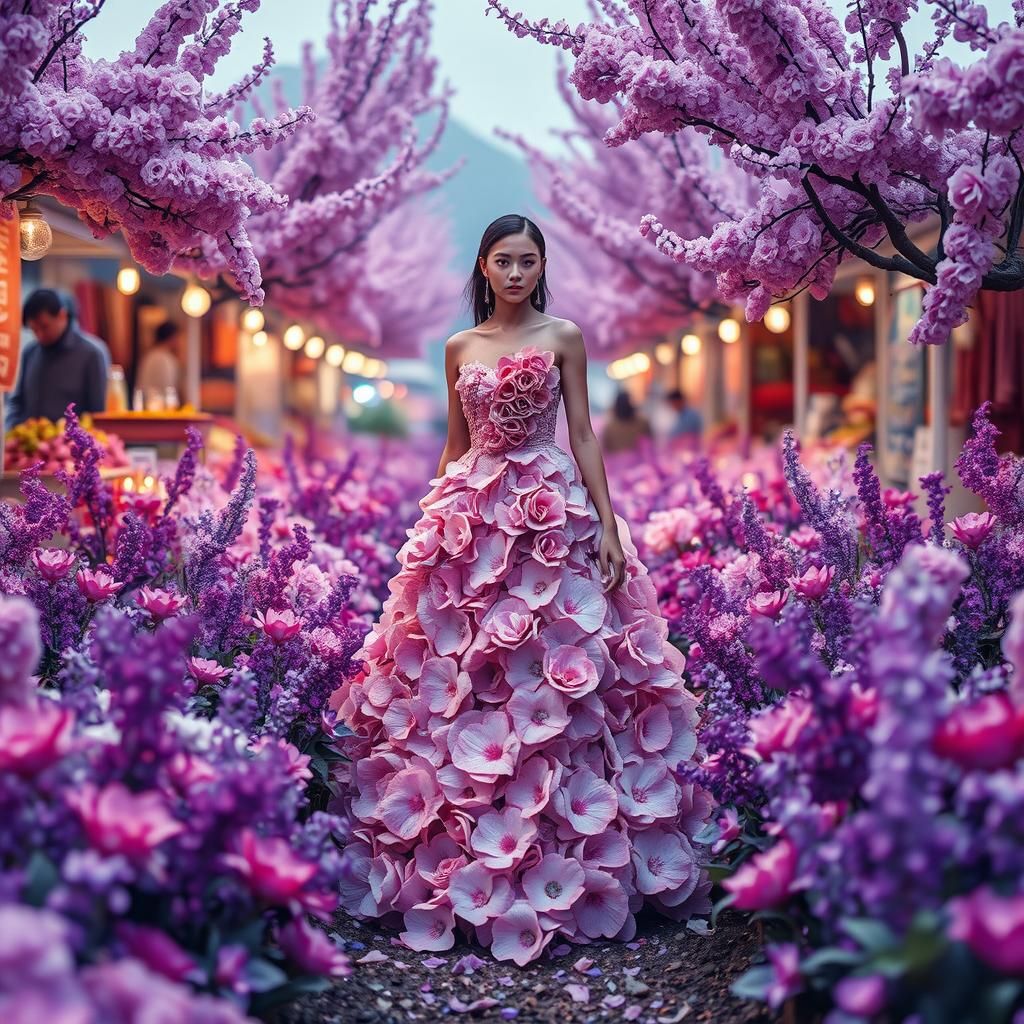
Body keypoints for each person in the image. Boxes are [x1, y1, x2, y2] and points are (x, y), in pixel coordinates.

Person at [333, 214, 709, 964]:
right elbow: (457, 442)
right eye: (503, 261)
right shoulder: (458, 347)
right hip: (471, 512)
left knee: (558, 651)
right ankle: (454, 838)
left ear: (541, 268)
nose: (515, 273)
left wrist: (605, 522)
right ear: (483, 267)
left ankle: (575, 834)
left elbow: (585, 435)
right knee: (462, 656)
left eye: (527, 261)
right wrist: (434, 515)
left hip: (550, 505)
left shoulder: (564, 336)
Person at [6, 289, 109, 429]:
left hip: (73, 446)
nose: (40, 335)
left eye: (44, 327)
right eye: (34, 330)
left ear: (62, 315)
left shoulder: (92, 354)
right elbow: (17, 401)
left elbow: (98, 413)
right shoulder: (30, 352)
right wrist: (12, 431)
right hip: (29, 445)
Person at [135, 320, 182, 403]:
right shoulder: (164, 359)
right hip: (159, 410)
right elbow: (167, 390)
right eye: (178, 337)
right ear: (172, 337)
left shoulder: (149, 356)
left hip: (146, 406)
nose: (179, 342)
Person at [600, 389, 652, 454]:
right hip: (638, 462)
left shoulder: (609, 427)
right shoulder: (643, 422)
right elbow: (650, 445)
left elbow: (605, 450)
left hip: (618, 462)